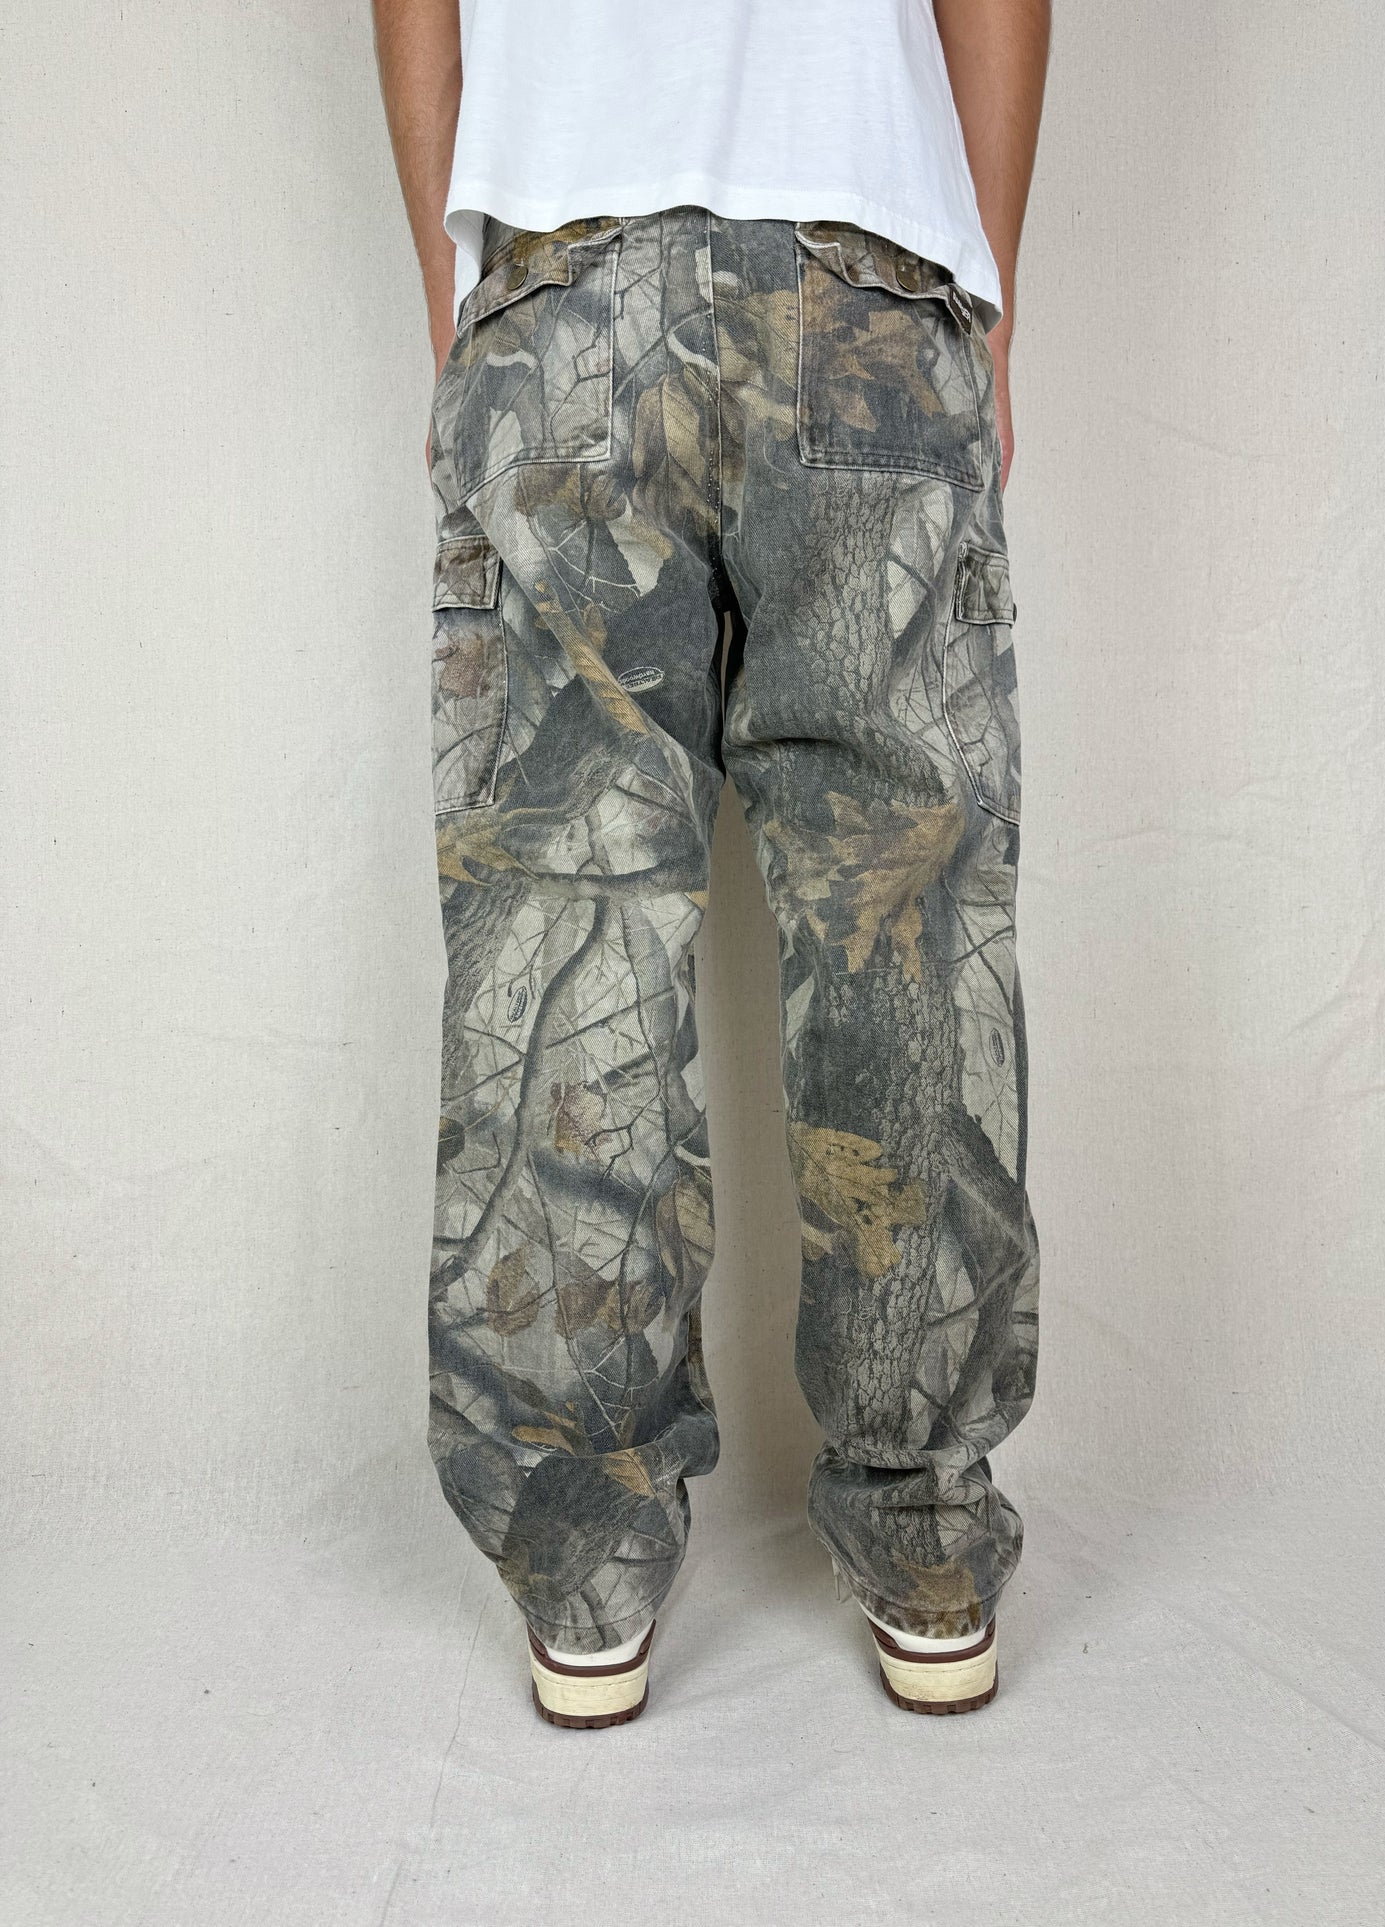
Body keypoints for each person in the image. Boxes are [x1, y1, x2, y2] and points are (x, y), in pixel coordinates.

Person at [373, 0, 1049, 1729]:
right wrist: (978, 298)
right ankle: (924, 1537)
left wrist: (466, 305)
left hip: (561, 284)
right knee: (900, 915)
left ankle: (585, 1568)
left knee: (563, 922)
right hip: (867, 274)